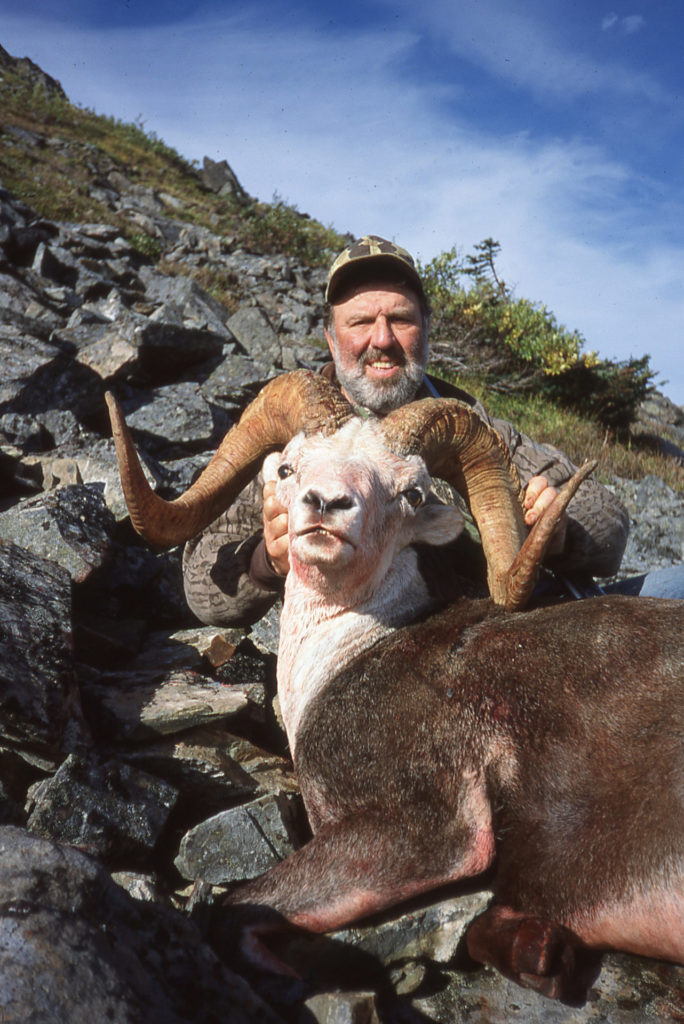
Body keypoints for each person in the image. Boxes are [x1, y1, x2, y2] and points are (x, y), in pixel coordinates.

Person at [182, 235, 681, 627]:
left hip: (513, 627)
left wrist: (558, 529)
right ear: (331, 339)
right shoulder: (292, 433)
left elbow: (610, 523)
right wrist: (267, 563)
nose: (382, 340)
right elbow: (202, 584)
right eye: (360, 322)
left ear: (426, 328)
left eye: (400, 319)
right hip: (375, 662)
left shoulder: (462, 422)